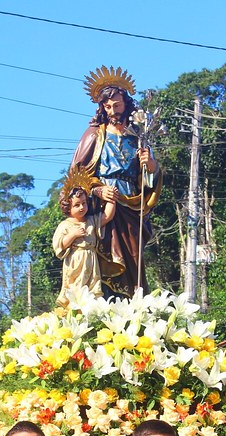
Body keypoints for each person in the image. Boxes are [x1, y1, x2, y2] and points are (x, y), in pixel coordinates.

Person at [71, 66, 162, 298]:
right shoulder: (94, 134)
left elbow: (148, 180)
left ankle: (134, 304)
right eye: (108, 106)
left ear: (126, 104)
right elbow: (76, 176)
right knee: (106, 255)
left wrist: (150, 165)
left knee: (133, 258)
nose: (113, 111)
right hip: (104, 204)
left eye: (117, 105)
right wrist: (98, 190)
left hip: (131, 202)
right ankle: (108, 302)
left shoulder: (137, 136)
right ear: (101, 107)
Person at [53, 177, 116, 306]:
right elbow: (59, 245)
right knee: (75, 288)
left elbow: (107, 216)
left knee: (93, 289)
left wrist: (112, 198)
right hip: (75, 261)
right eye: (77, 205)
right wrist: (72, 235)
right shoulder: (65, 225)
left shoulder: (91, 221)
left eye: (84, 203)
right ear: (67, 207)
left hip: (91, 260)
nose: (82, 207)